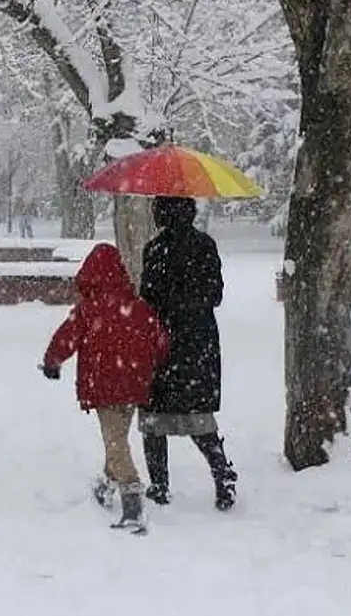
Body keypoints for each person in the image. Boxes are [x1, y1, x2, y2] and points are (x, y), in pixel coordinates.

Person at [41, 242, 169, 532]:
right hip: (134, 384)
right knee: (118, 440)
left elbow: (66, 338)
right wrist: (150, 364)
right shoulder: (138, 307)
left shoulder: (89, 309)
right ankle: (105, 485)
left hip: (104, 385)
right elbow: (160, 341)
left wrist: (52, 362)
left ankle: (132, 500)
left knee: (115, 443)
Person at [139, 196, 238, 511]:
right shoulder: (205, 245)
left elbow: (148, 298)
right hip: (198, 340)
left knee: (154, 414)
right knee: (198, 414)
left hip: (164, 340)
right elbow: (216, 294)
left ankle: (159, 485)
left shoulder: (155, 250)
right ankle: (222, 473)